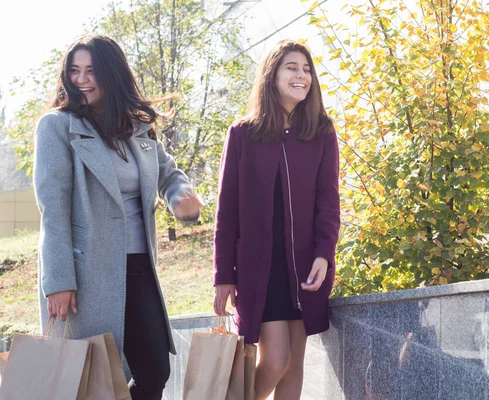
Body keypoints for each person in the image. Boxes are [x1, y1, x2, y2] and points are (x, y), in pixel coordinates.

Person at [33, 35, 201, 400]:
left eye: (91, 71)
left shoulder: (137, 128)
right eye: (74, 71)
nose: (81, 79)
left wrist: (180, 196)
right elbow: (53, 207)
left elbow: (168, 174)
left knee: (155, 369)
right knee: (93, 379)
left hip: (139, 268)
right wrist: (58, 279)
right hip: (86, 275)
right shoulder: (57, 127)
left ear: (112, 74)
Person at [213, 39, 340, 400]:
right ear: (272, 75)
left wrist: (323, 253)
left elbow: (328, 202)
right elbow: (227, 211)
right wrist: (223, 275)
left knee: (295, 364)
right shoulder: (243, 134)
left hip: (303, 266)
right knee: (276, 360)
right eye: (292, 67)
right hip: (259, 269)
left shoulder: (321, 133)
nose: (302, 75)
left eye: (306, 69)